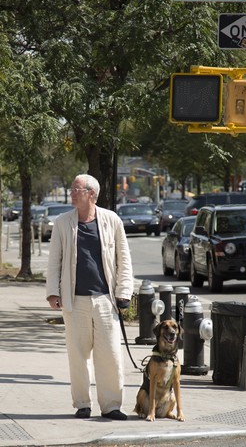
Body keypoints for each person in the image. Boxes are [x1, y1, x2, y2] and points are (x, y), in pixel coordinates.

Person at [46, 174, 134, 420]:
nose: (72, 192)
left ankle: (112, 406)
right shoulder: (63, 223)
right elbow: (54, 261)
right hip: (75, 300)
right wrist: (53, 292)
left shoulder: (111, 220)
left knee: (111, 355)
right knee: (78, 354)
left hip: (106, 299)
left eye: (77, 189)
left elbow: (123, 259)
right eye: (72, 188)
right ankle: (82, 404)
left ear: (91, 194)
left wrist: (124, 292)